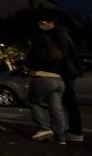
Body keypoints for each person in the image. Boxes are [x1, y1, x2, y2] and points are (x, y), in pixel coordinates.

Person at [37, 13, 84, 142]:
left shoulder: (59, 34)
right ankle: (67, 130)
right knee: (64, 103)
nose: (41, 25)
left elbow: (60, 55)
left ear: (51, 23)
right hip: (64, 73)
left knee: (69, 103)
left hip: (65, 73)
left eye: (43, 22)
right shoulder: (56, 33)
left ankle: (76, 132)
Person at [26, 31, 66, 144]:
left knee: (34, 103)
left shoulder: (35, 50)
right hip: (59, 81)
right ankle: (60, 137)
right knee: (56, 109)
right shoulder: (56, 51)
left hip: (42, 79)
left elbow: (29, 64)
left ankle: (44, 128)